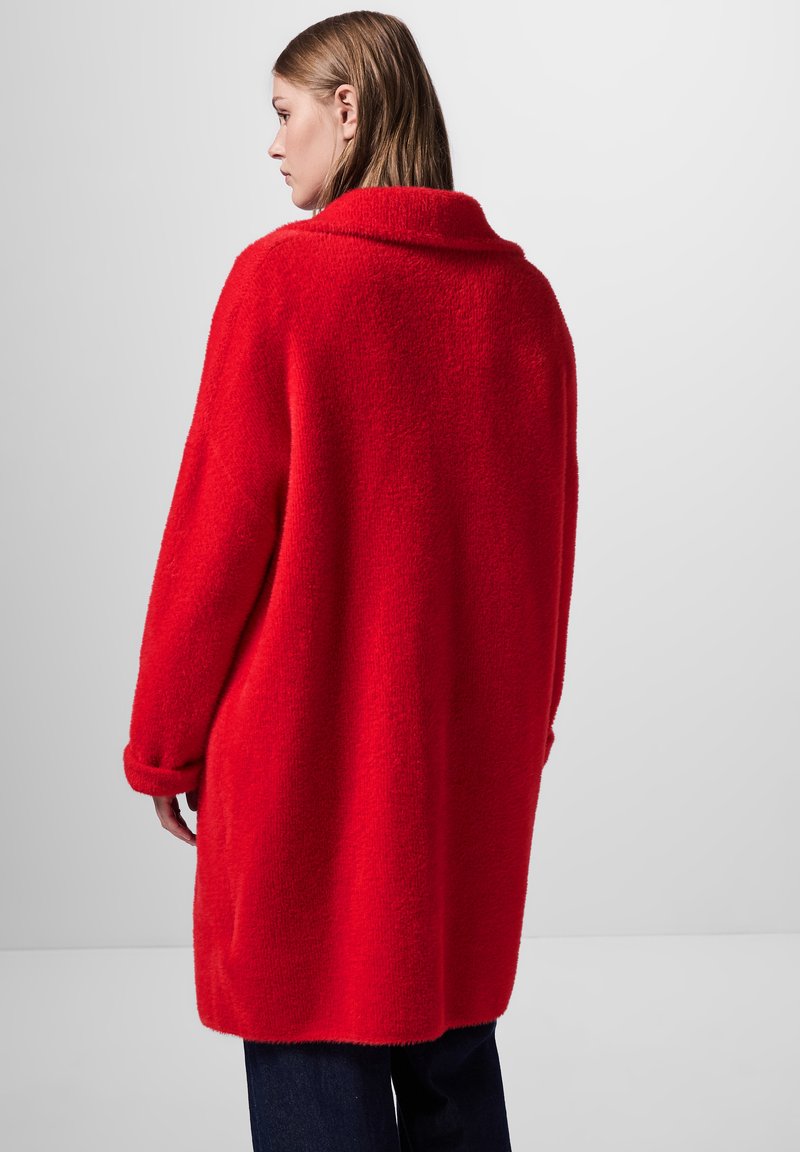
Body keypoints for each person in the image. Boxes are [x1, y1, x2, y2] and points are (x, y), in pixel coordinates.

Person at [122, 10, 579, 1151]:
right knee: (455, 1060)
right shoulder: (526, 308)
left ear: (350, 109)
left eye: (285, 113)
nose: (273, 143)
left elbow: (212, 543)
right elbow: (549, 557)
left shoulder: (282, 286)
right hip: (464, 782)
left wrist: (165, 744)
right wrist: (520, 739)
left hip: (307, 783)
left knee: (313, 1056)